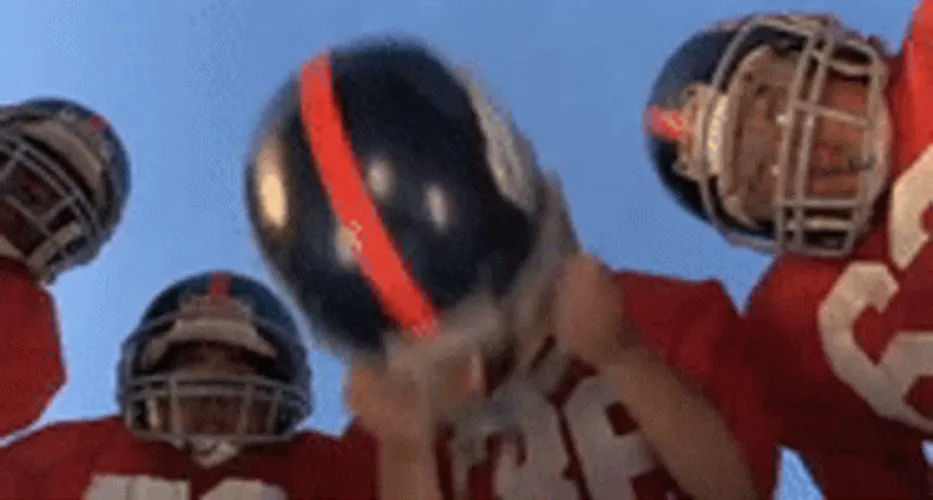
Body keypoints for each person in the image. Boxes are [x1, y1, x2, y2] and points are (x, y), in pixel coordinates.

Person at [245, 37, 778, 500]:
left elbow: (738, 492)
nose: (476, 376)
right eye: (441, 357)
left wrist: (627, 359)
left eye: (492, 323)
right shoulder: (383, 439)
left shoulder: (668, 320)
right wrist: (407, 452)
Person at [644, 4, 933, 498]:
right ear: (763, 223)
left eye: (776, 103)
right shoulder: (794, 341)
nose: (804, 151)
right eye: (764, 174)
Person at [0, 270, 376, 499]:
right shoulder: (67, 459)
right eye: (191, 364)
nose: (214, 391)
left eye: (239, 368)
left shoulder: (328, 473)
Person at [0, 98, 130, 436]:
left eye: (53, 193)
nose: (29, 190)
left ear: (65, 234)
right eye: (26, 168)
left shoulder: (23, 338)